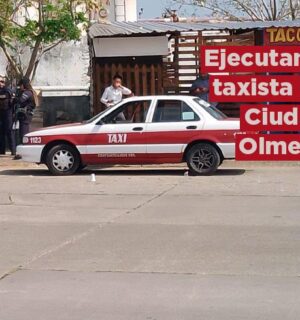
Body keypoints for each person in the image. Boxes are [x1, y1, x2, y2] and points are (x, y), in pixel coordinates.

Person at [13, 77, 37, 159]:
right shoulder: (28, 92)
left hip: (25, 116)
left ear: (24, 85)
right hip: (24, 116)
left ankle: (23, 154)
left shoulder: (27, 92)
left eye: (21, 85)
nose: (20, 87)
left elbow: (20, 101)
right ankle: (22, 153)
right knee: (22, 134)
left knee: (24, 135)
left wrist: (15, 97)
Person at [0, 75, 16, 156]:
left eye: (2, 82)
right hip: (1, 114)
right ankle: (1, 151)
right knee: (1, 133)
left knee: (9, 132)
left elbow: (13, 103)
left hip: (8, 113)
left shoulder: (8, 90)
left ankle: (13, 151)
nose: (0, 83)